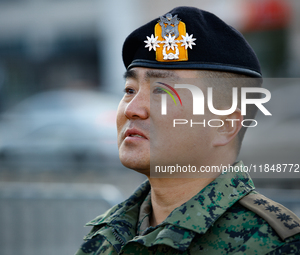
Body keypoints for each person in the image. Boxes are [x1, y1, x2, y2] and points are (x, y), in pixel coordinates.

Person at [75, 6, 300, 254]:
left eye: (162, 91)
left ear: (225, 125)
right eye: (130, 90)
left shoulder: (272, 245)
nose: (132, 109)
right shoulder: (106, 235)